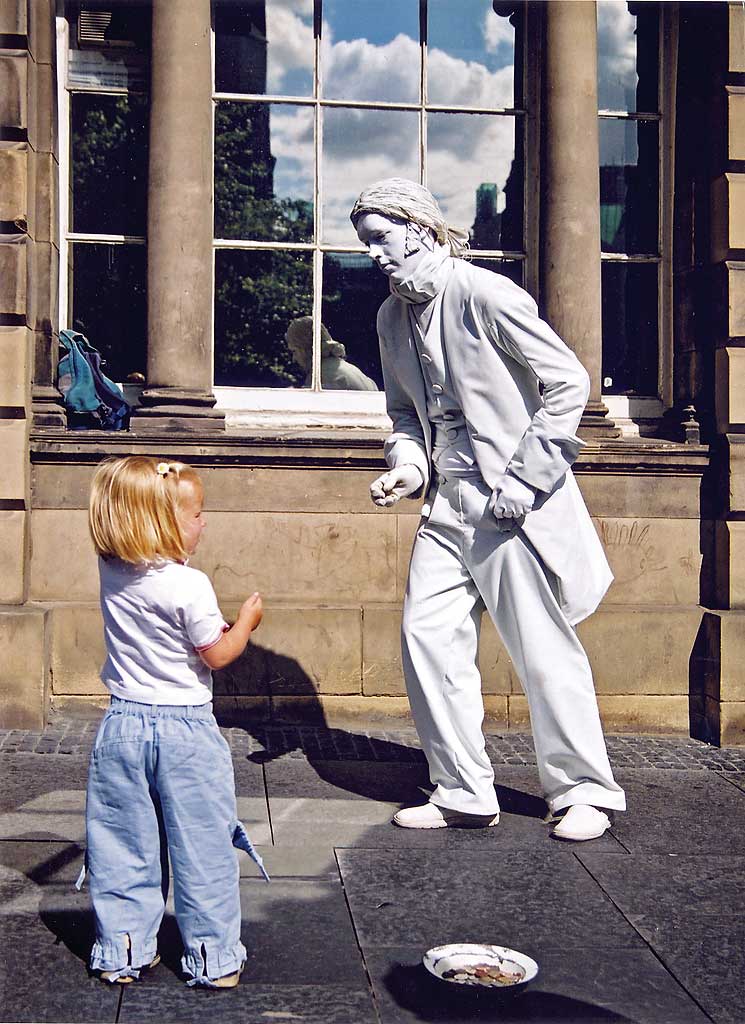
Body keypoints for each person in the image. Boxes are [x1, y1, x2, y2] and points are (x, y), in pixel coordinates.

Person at [350, 178, 625, 841]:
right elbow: (401, 415)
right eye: (365, 244)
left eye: (381, 238)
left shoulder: (484, 293)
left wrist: (526, 481)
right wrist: (407, 467)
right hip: (446, 507)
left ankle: (584, 792)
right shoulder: (391, 318)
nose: (374, 255)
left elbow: (568, 384)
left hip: (511, 511)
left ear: (420, 229)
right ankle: (462, 790)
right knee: (426, 639)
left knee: (541, 650)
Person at [83, 456, 266, 987]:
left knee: (122, 843)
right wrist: (247, 624)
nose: (203, 522)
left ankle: (123, 952)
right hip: (185, 732)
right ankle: (213, 960)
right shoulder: (191, 585)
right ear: (162, 524)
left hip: (122, 726)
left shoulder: (110, 568)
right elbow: (216, 655)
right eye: (195, 515)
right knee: (202, 846)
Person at [285, 315, 379, 391]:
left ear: (306, 348)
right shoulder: (353, 371)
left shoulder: (320, 379)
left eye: (294, 351)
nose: (294, 358)